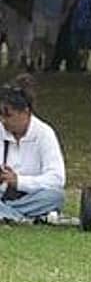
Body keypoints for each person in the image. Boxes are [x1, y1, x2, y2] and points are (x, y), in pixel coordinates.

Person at [0, 75, 64, 224]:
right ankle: (22, 218)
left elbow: (56, 179)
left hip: (32, 195)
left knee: (56, 196)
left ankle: (8, 214)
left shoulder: (44, 134)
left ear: (26, 112)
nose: (3, 120)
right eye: (1, 115)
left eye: (8, 115)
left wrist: (19, 181)